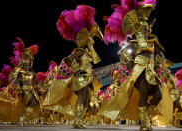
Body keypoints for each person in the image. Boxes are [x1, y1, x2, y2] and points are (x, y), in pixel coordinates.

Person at [100, 0, 173, 130]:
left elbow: (160, 55)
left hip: (151, 68)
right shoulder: (134, 42)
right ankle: (144, 123)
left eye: (147, 27)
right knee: (144, 94)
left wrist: (161, 60)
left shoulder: (152, 41)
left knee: (159, 94)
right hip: (139, 67)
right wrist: (129, 59)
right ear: (139, 28)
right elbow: (123, 55)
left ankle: (146, 118)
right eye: (143, 27)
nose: (146, 29)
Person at [42, 5, 103, 128]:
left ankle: (80, 119)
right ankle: (77, 122)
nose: (89, 39)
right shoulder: (79, 51)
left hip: (87, 77)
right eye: (88, 39)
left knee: (87, 99)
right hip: (80, 76)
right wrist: (72, 67)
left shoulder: (86, 52)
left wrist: (91, 47)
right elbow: (69, 60)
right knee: (82, 97)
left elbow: (96, 60)